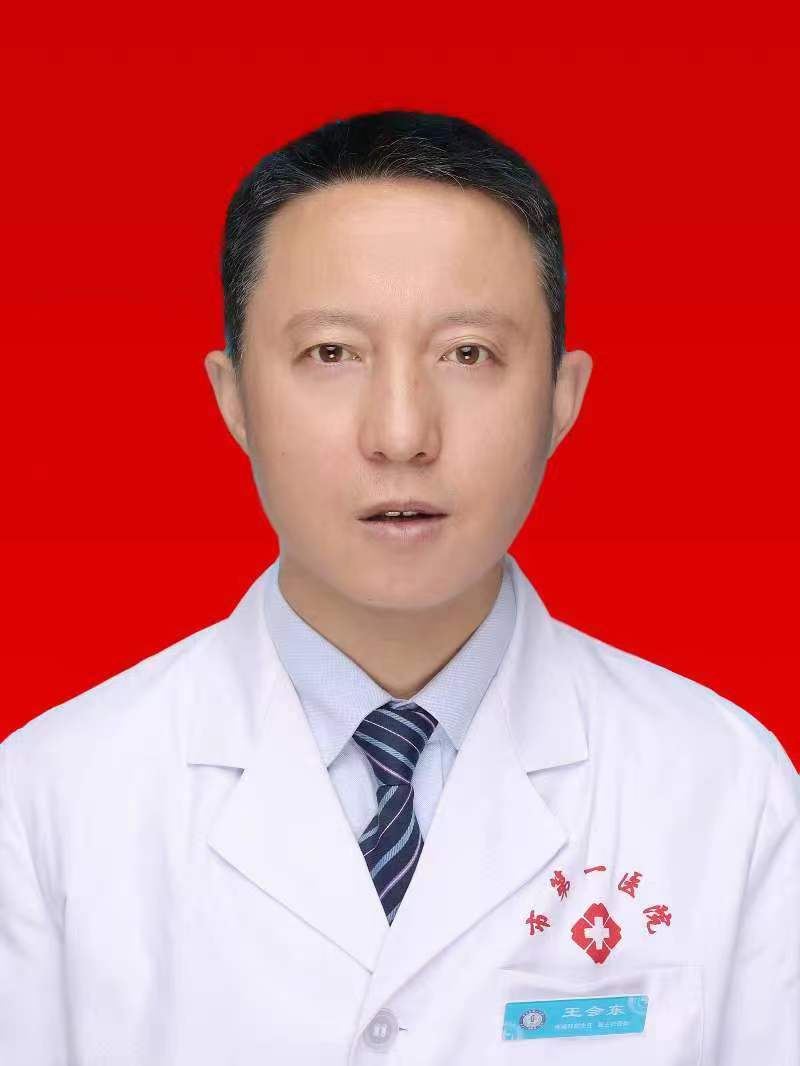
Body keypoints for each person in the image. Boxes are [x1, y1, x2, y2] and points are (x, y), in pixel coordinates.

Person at [0, 109, 797, 1065]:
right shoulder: (49, 801)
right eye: (331, 353)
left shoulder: (724, 788)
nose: (402, 434)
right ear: (232, 396)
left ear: (563, 397)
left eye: (468, 354)